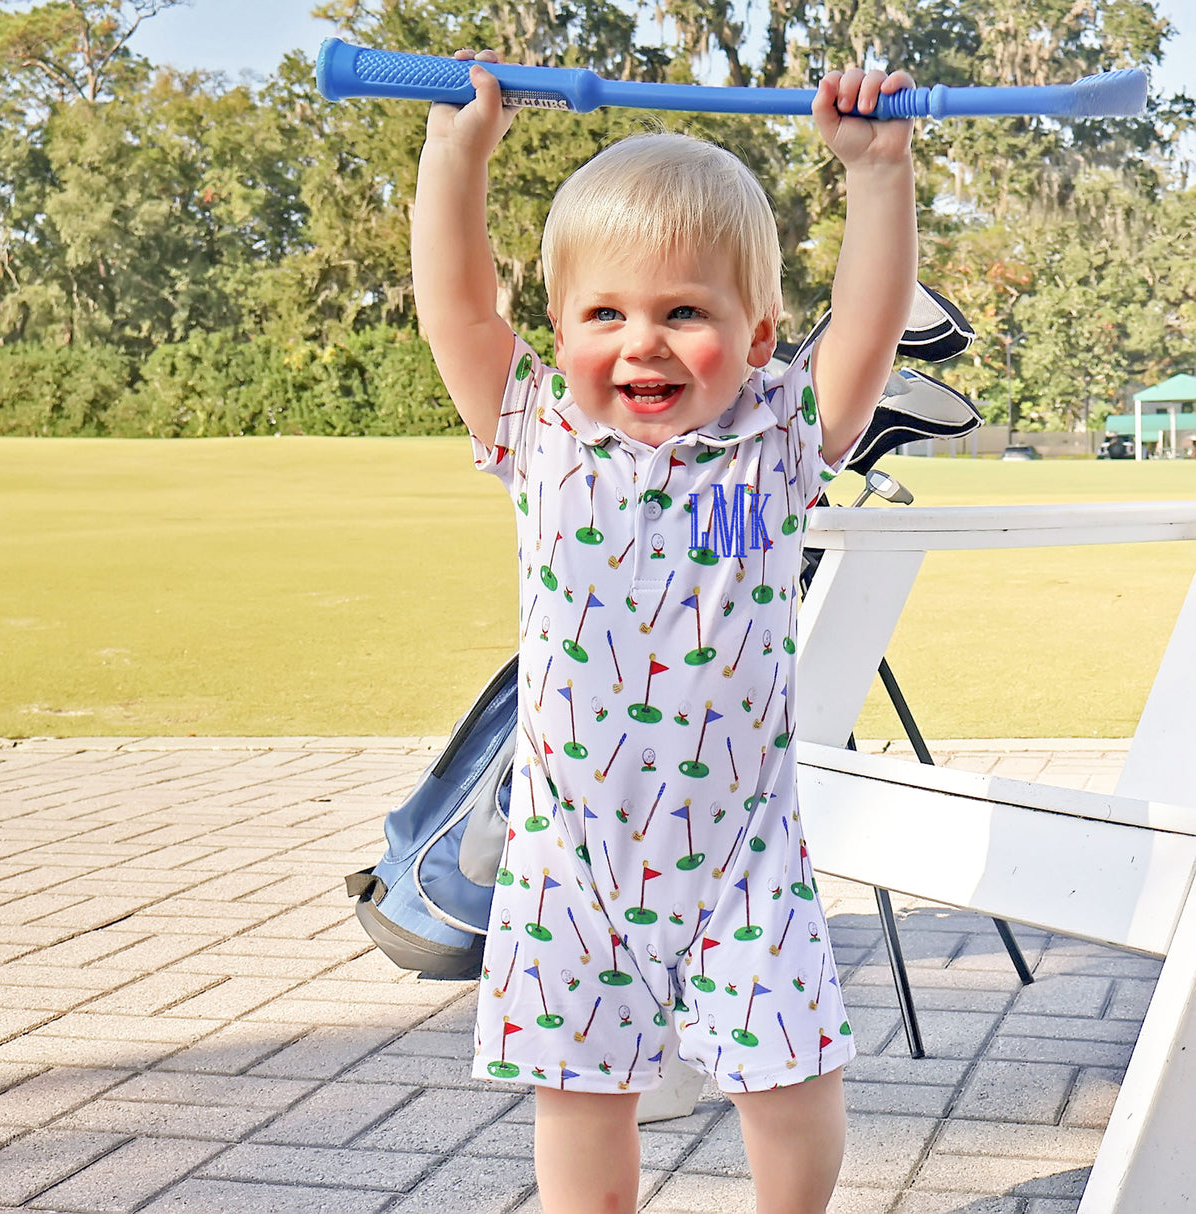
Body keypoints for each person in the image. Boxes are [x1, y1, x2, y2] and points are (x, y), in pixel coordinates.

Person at [412, 48, 917, 1214]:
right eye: (605, 312)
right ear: (557, 323)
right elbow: (457, 305)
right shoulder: (537, 429)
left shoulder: (777, 436)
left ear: (754, 334)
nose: (640, 341)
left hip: (740, 853)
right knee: (577, 1092)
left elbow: (870, 322)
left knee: (791, 1068)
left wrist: (875, 174)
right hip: (568, 855)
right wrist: (457, 154)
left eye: (683, 311)